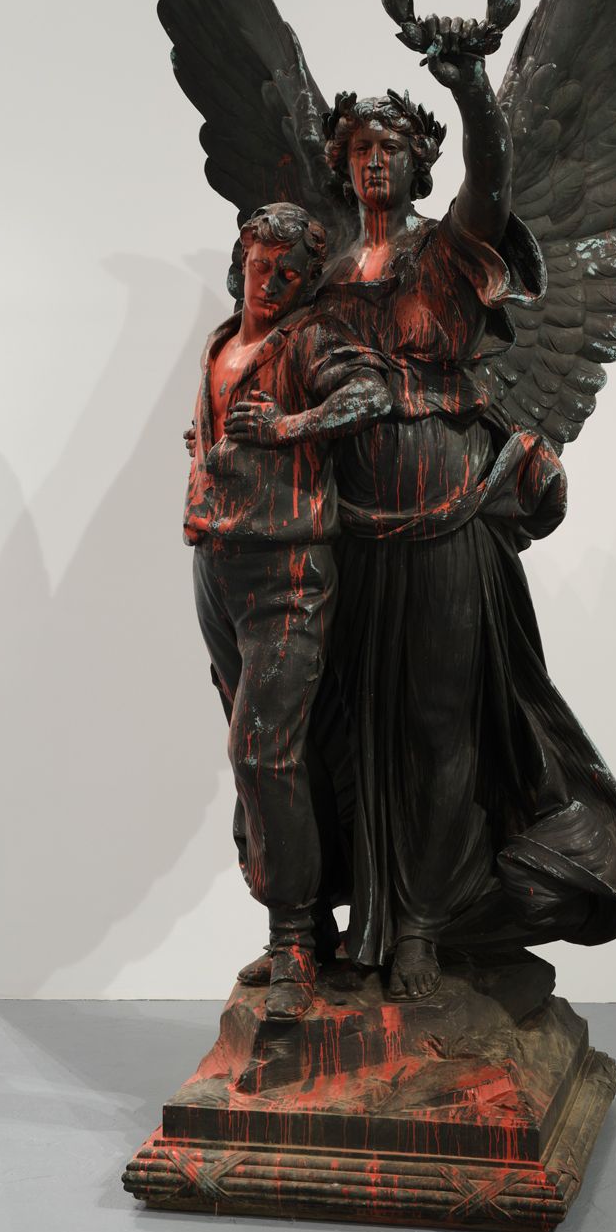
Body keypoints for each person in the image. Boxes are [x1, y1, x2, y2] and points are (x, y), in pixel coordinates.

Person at [317, 66, 616, 1001]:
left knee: (437, 723)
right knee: (341, 723)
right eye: (360, 150)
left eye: (395, 151)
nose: (377, 163)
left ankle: (424, 924)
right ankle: (345, 922)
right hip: (342, 521)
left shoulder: (450, 250)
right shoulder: (326, 272)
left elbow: (493, 177)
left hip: (449, 511)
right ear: (341, 167)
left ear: (423, 167)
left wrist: (466, 85)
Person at [185, 202, 391, 1020]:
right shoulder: (221, 338)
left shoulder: (308, 336)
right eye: (256, 260)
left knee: (263, 747)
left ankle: (295, 941)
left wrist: (288, 427)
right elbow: (220, 422)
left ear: (308, 278)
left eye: (285, 270)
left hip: (289, 563)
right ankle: (307, 929)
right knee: (255, 749)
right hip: (217, 559)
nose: (265, 279)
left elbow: (368, 395)